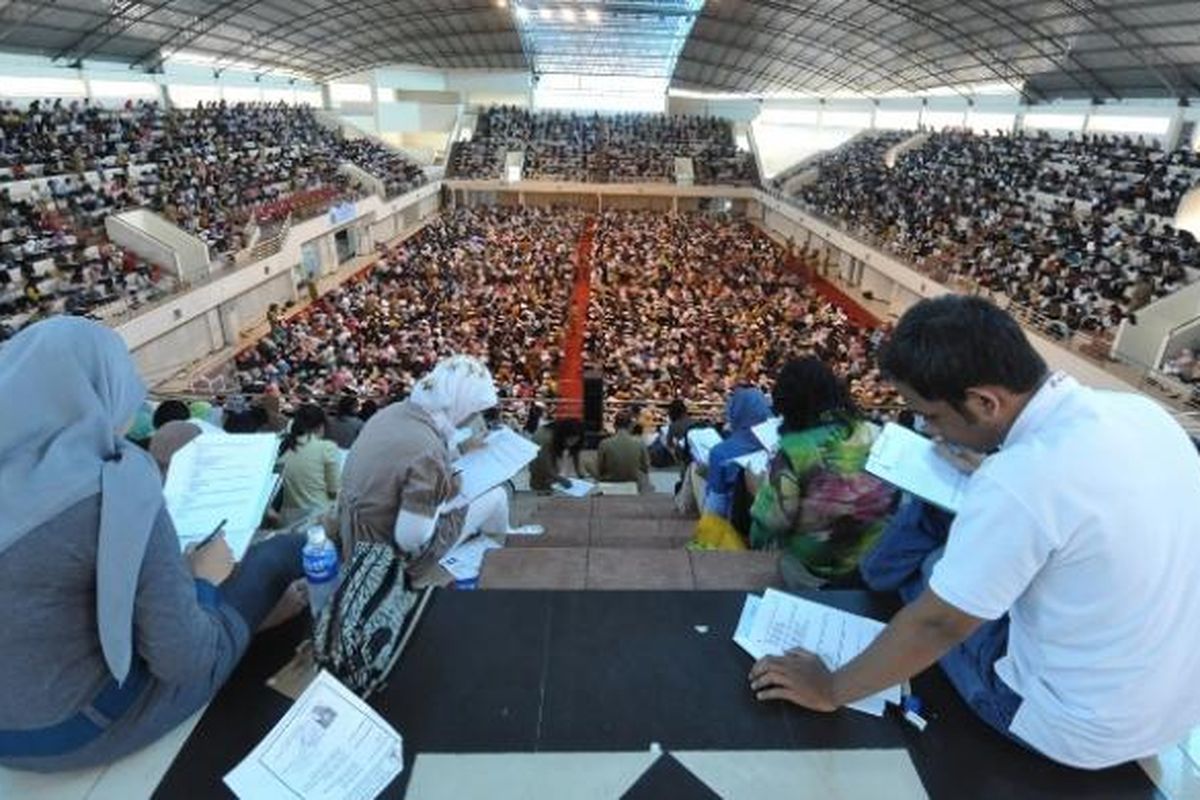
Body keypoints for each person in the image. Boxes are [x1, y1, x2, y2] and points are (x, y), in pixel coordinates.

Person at [748, 296, 1200, 770]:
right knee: (938, 539)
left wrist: (830, 687)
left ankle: (866, 587)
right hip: (1169, 711)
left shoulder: (1019, 480)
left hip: (1068, 725)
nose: (926, 427)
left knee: (924, 569)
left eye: (934, 416)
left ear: (985, 402)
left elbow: (939, 626)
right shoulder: (1143, 414)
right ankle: (870, 579)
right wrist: (987, 466)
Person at [0, 318, 306, 772]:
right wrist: (203, 582)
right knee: (278, 555)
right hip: (78, 730)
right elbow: (186, 660)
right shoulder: (115, 482)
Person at [336, 356, 539, 587]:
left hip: (354, 531)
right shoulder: (428, 453)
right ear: (461, 405)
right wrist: (445, 498)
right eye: (474, 412)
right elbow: (411, 538)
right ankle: (499, 541)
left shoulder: (393, 412)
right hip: (388, 555)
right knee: (497, 496)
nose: (475, 419)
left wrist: (459, 451)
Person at [747, 357, 894, 586]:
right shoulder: (874, 434)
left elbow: (775, 522)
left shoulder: (793, 450)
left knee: (783, 563)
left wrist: (758, 494)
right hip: (876, 559)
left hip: (819, 569)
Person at [692, 387, 773, 549]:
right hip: (775, 526)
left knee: (694, 471)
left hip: (737, 527)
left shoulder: (721, 452)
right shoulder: (780, 442)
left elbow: (715, 506)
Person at [278, 404, 341, 524]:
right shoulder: (327, 448)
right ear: (321, 426)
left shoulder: (283, 447)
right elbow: (334, 490)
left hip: (287, 518)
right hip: (318, 519)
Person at [591, 412, 651, 491]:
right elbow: (646, 467)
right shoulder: (640, 443)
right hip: (633, 482)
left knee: (588, 464)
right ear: (631, 426)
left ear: (614, 426)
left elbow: (599, 468)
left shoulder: (604, 443)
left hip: (609, 481)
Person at [528, 417, 585, 493]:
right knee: (542, 482)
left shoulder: (568, 432)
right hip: (538, 465)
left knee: (554, 478)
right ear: (564, 436)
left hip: (549, 453)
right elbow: (546, 465)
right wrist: (560, 479)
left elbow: (575, 450)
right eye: (571, 440)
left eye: (576, 440)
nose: (572, 443)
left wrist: (579, 472)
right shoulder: (546, 439)